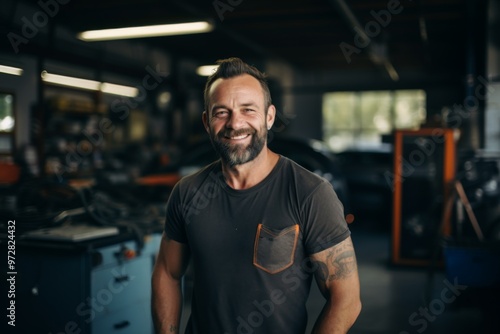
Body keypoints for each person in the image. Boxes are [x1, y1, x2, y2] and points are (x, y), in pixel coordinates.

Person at [151, 57, 361, 334]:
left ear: (269, 116)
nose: (235, 123)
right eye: (221, 112)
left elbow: (346, 299)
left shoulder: (310, 193)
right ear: (206, 121)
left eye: (248, 110)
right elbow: (167, 272)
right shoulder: (187, 192)